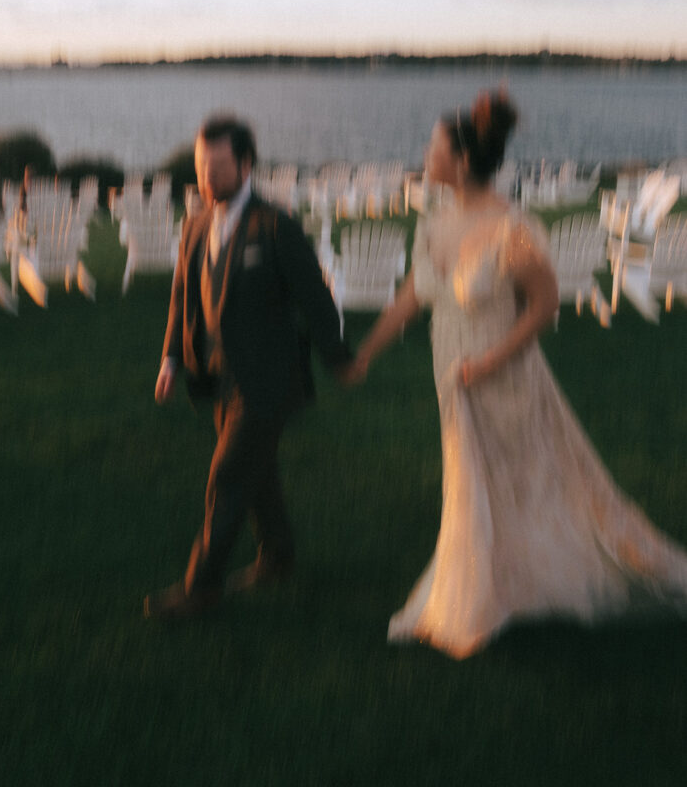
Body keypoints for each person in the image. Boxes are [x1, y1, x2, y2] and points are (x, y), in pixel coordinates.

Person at [345, 90, 687, 659]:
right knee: (472, 480)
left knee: (523, 478)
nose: (426, 153)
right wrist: (366, 353)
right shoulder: (433, 222)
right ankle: (495, 582)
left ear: (458, 158)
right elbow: (412, 297)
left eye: (434, 144)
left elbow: (544, 305)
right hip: (451, 373)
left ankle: (486, 595)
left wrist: (488, 363)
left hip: (501, 374)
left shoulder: (513, 227)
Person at [145, 115, 350, 620]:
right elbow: (181, 298)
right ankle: (278, 556)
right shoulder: (194, 225)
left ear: (246, 163)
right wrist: (172, 357)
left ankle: (201, 587)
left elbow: (316, 298)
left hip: (268, 382)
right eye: (200, 167)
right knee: (258, 476)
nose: (206, 179)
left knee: (228, 478)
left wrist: (338, 358)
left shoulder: (274, 225)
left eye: (216, 167)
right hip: (217, 378)